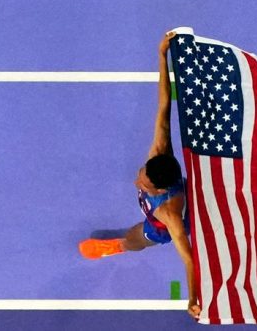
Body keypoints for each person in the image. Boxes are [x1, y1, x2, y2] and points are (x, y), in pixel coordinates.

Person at [79, 32, 197, 280]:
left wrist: (192, 299)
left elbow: (188, 258)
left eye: (144, 184)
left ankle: (116, 247)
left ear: (159, 190)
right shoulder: (159, 151)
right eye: (141, 174)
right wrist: (162, 55)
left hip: (162, 228)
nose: (137, 183)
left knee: (135, 239)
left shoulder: (169, 215)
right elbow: (165, 104)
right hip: (183, 200)